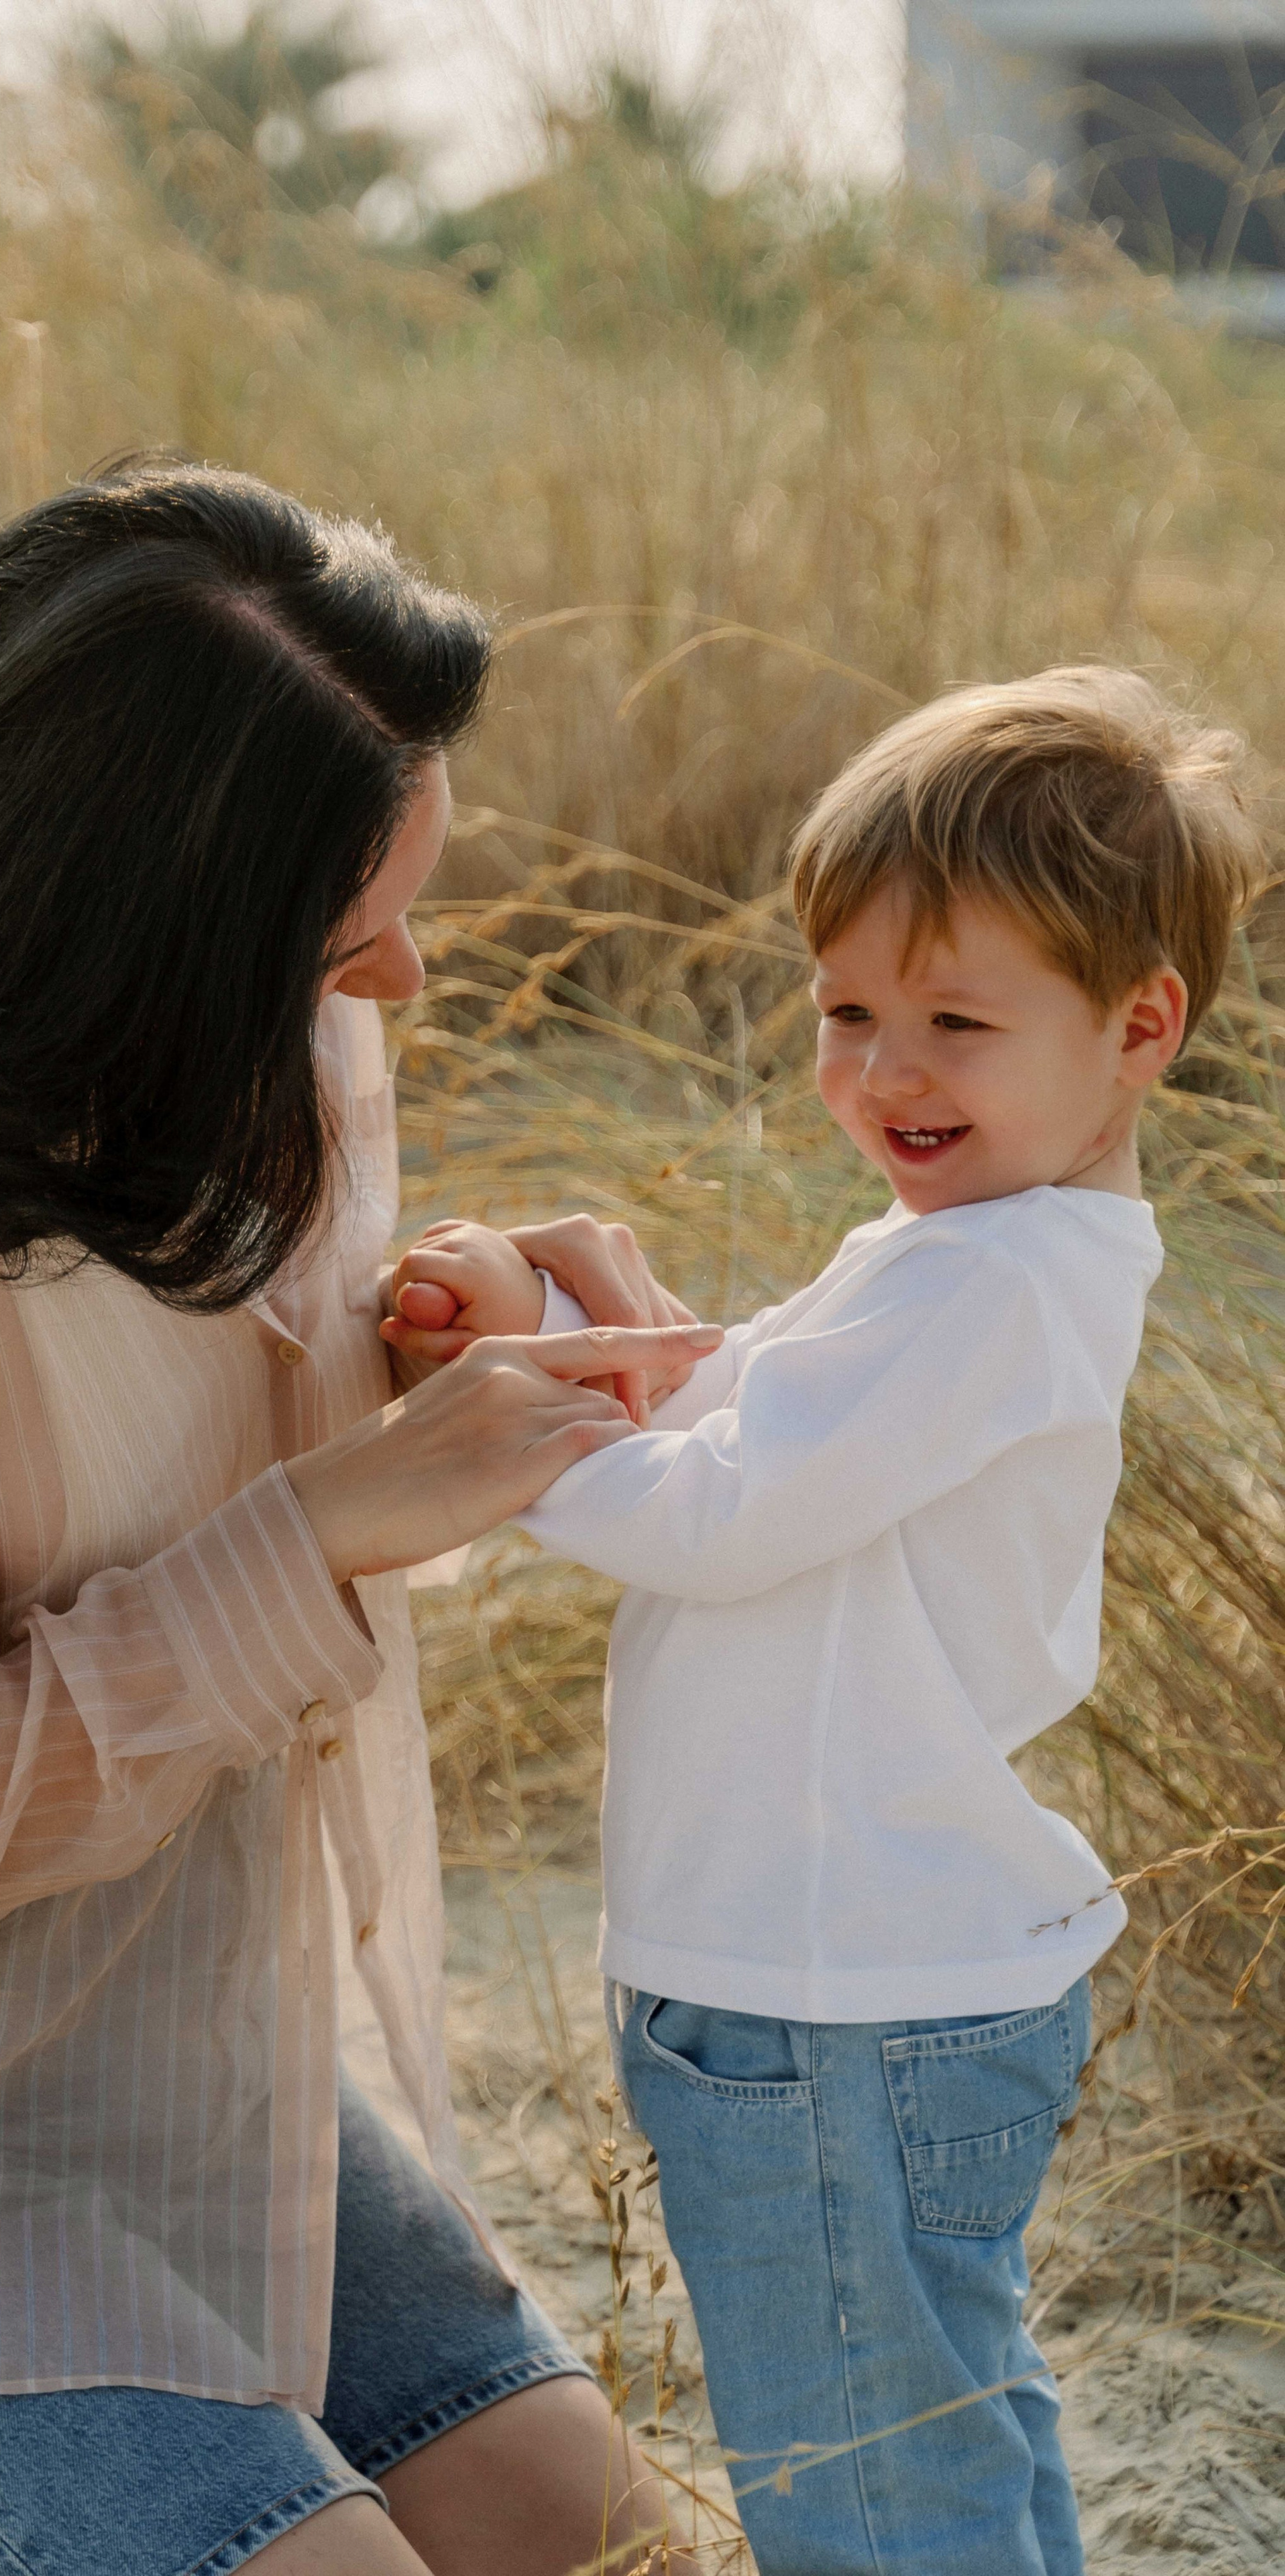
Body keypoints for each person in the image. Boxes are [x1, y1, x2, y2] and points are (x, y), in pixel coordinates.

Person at [0, 458, 719, 2576]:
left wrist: (434, 1335)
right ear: (122, 912)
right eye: (345, 934)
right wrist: (332, 1517)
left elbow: (233, 1470)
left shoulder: (256, 1017)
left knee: (545, 2507)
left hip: (156, 2017)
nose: (400, 988)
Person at [378, 667, 1264, 2575]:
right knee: (938, 2434)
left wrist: (510, 1410)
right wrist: (610, 1320)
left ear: (1139, 1026)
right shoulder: (968, 1251)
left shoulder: (996, 1283)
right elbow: (767, 1440)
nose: (884, 1073)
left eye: (955, 1021)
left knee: (870, 2493)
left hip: (838, 1998)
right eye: (847, 1011)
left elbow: (720, 1519)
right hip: (852, 1980)